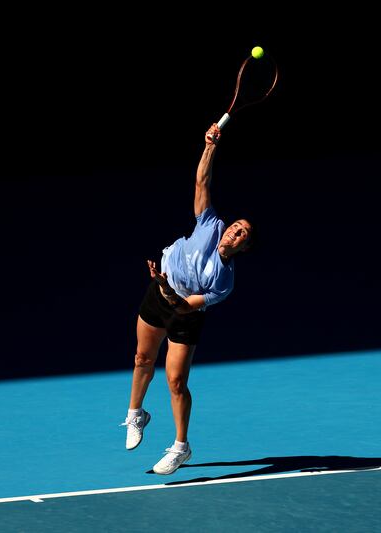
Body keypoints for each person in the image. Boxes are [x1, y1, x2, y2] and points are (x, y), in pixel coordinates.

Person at [121, 123, 254, 475]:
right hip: (160, 291)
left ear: (243, 247)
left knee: (176, 381)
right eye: (236, 226)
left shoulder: (223, 281)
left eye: (242, 234)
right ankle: (136, 414)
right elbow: (202, 183)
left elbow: (183, 307)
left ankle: (181, 447)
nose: (235, 231)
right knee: (141, 358)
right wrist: (210, 145)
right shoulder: (210, 223)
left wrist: (164, 287)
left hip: (183, 312)